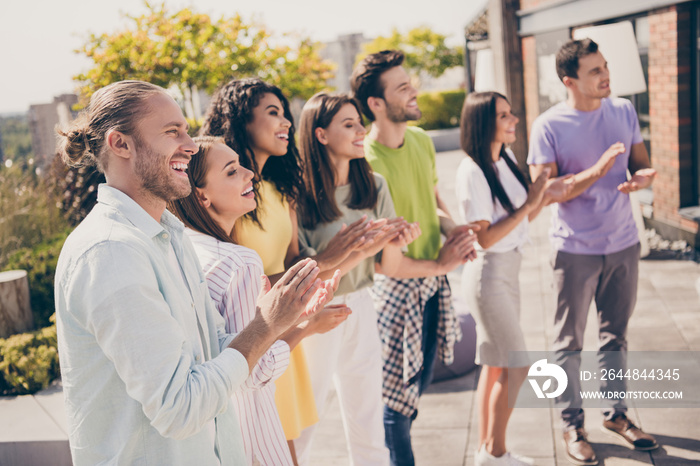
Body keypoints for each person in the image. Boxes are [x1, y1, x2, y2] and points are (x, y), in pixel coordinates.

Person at [53, 80, 334, 465]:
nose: (189, 144)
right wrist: (265, 325)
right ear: (121, 144)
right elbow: (180, 407)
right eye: (172, 132)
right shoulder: (111, 252)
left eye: (186, 130)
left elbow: (221, 358)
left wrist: (283, 316)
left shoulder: (172, 237)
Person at [201, 78, 377, 463]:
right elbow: (249, 284)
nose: (285, 123)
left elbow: (296, 263)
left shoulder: (281, 190)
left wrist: (358, 252)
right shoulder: (227, 195)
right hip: (250, 341)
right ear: (242, 121)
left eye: (285, 113)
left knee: (290, 450)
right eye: (272, 113)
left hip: (285, 334)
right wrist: (327, 261)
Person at [168, 136, 350, 465]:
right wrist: (307, 326)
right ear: (201, 195)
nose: (250, 173)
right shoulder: (239, 262)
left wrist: (292, 315)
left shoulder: (184, 249)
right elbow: (253, 367)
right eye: (231, 171)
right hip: (251, 436)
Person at [528, 38, 658, 466]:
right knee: (568, 342)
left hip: (623, 242)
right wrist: (598, 170)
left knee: (615, 336)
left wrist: (642, 179)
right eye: (595, 71)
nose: (606, 76)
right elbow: (546, 192)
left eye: (605, 67)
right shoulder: (549, 125)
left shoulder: (622, 110)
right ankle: (572, 424)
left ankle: (617, 417)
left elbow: (639, 163)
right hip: (575, 250)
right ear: (569, 80)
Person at [351, 50, 479, 465]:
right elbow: (385, 261)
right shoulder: (364, 162)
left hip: (430, 284)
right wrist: (442, 264)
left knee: (415, 390)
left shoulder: (421, 141)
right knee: (394, 409)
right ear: (375, 103)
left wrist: (453, 229)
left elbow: (433, 200)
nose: (413, 92)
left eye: (411, 84)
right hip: (392, 291)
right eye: (402, 87)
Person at [293, 92, 423, 465]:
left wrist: (398, 241)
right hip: (317, 312)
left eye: (358, 123)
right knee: (308, 415)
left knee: (367, 414)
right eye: (348, 125)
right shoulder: (300, 194)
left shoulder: (374, 184)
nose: (359, 131)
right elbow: (304, 271)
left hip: (363, 305)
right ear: (320, 135)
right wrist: (358, 253)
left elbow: (389, 265)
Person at [457, 91, 572, 466]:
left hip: (509, 271)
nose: (514, 120)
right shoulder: (472, 170)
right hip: (488, 275)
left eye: (511, 113)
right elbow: (486, 237)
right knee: (518, 365)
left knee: (496, 365)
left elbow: (521, 220)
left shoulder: (503, 160)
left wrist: (542, 198)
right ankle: (495, 452)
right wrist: (532, 199)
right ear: (483, 123)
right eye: (504, 116)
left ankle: (487, 452)